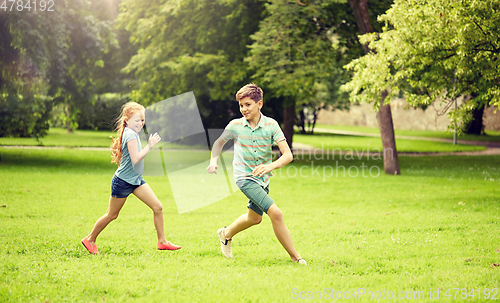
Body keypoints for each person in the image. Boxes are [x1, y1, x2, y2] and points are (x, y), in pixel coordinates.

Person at [206, 83, 306, 265]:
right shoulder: (235, 125)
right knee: (276, 213)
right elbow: (219, 143)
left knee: (255, 218)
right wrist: (213, 162)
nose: (243, 109)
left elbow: (288, 155)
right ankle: (296, 257)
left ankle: (225, 234)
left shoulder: (271, 125)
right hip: (244, 177)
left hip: (263, 178)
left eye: (247, 104)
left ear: (259, 104)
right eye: (241, 105)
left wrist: (270, 166)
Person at [82, 102, 181, 254]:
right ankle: (90, 239)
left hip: (135, 181)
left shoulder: (132, 132)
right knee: (112, 214)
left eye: (142, 120)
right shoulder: (130, 134)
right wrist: (150, 146)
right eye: (137, 120)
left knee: (158, 207)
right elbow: (136, 159)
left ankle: (162, 242)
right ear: (127, 120)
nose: (141, 123)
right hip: (123, 182)